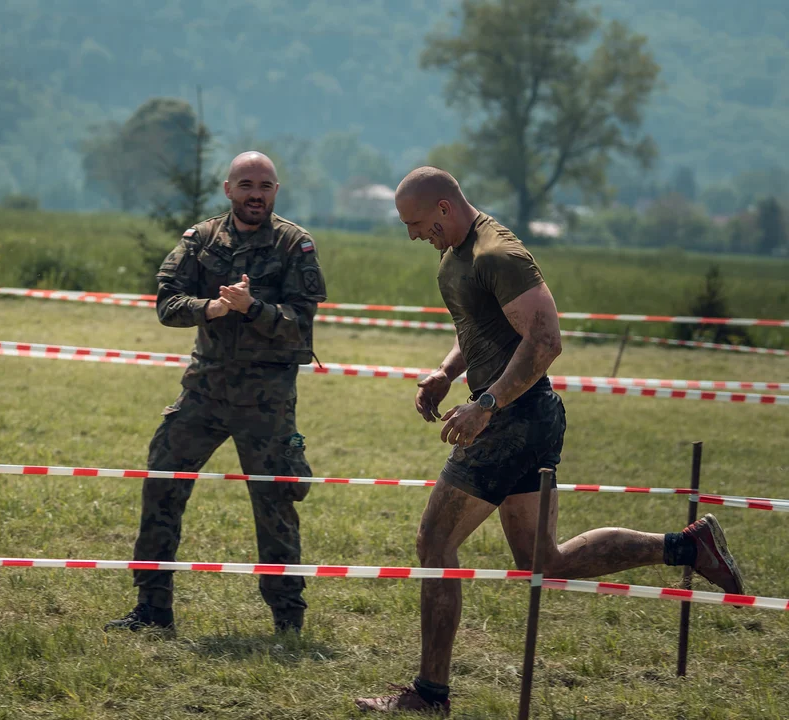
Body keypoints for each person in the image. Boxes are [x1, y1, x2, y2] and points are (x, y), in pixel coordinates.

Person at [354, 167, 744, 714]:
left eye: (417, 223)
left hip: (513, 419)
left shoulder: (498, 255)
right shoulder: (456, 257)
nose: (414, 235)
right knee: (544, 560)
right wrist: (446, 373)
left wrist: (486, 405)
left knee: (434, 542)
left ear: (444, 208)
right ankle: (687, 546)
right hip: (520, 418)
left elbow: (545, 340)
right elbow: (484, 329)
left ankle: (430, 694)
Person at [104, 151, 327, 636]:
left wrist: (252, 308)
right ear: (228, 189)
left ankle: (288, 620)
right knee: (162, 483)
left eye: (265, 187)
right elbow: (167, 303)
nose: (255, 195)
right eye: (246, 185)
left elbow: (300, 329)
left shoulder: (295, 245)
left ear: (275, 192)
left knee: (276, 506)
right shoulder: (201, 239)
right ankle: (152, 609)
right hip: (203, 393)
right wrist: (211, 309)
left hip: (266, 403)